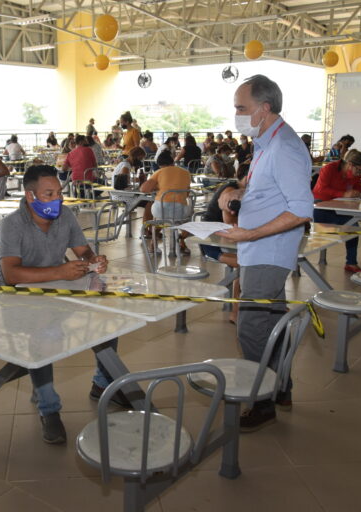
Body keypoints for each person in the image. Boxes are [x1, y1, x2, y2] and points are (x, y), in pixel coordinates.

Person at [214, 75, 313, 431]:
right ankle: (280, 385)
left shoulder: (284, 146)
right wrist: (233, 191)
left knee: (251, 326)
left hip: (268, 250)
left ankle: (262, 399)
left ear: (264, 108)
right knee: (272, 323)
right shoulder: (265, 142)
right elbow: (261, 188)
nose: (236, 114)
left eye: (241, 108)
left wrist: (250, 233)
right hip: (257, 247)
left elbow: (302, 208)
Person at [0, 165, 112, 444]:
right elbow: (11, 275)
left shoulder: (64, 215)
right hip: (19, 296)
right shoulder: (12, 224)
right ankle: (49, 409)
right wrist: (60, 272)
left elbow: (83, 251)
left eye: (59, 192)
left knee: (109, 314)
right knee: (43, 331)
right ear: (31, 196)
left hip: (58, 286)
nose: (57, 199)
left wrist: (96, 260)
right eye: (49, 194)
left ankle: (103, 381)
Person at [312, 149, 361, 273]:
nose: (359, 173)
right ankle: (351, 262)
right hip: (322, 207)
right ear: (350, 164)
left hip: (341, 207)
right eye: (358, 170)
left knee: (354, 227)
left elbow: (358, 187)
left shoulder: (354, 174)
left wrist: (357, 192)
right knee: (351, 226)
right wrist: (343, 193)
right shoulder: (329, 168)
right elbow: (321, 189)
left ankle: (351, 263)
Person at [200, 179, 244, 323]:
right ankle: (236, 312)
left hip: (221, 239)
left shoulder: (243, 191)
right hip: (210, 242)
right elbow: (230, 223)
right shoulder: (230, 192)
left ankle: (238, 310)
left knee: (249, 262)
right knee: (246, 263)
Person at [140, 151, 192, 254]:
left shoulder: (159, 172)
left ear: (160, 165)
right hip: (180, 212)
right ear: (172, 162)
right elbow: (186, 194)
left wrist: (157, 186)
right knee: (185, 220)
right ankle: (182, 243)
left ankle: (153, 245)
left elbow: (144, 189)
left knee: (158, 219)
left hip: (160, 210)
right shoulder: (186, 173)